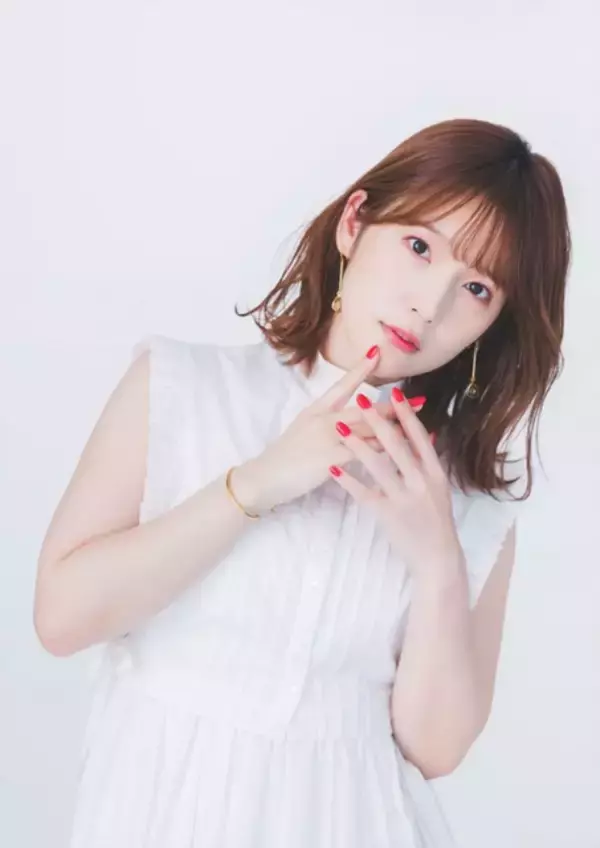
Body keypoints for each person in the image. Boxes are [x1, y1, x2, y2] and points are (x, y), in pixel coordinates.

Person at [34, 117, 570, 847]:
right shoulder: (183, 388)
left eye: (476, 288)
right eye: (419, 247)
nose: (431, 304)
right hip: (161, 811)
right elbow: (61, 619)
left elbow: (435, 750)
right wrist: (258, 483)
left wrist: (438, 558)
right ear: (355, 223)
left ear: (493, 324)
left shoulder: (469, 503)